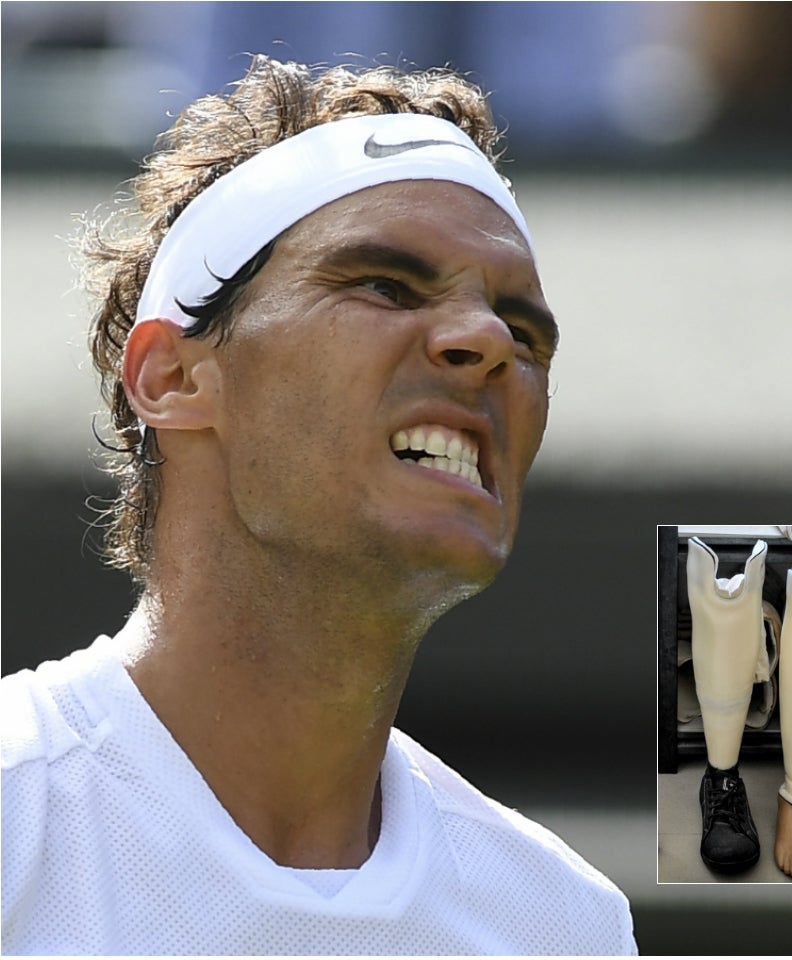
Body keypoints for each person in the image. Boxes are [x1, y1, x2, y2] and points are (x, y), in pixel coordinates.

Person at [1, 55, 636, 955]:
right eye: (384, 285)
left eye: (524, 332)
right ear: (174, 376)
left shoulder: (564, 924)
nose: (488, 341)